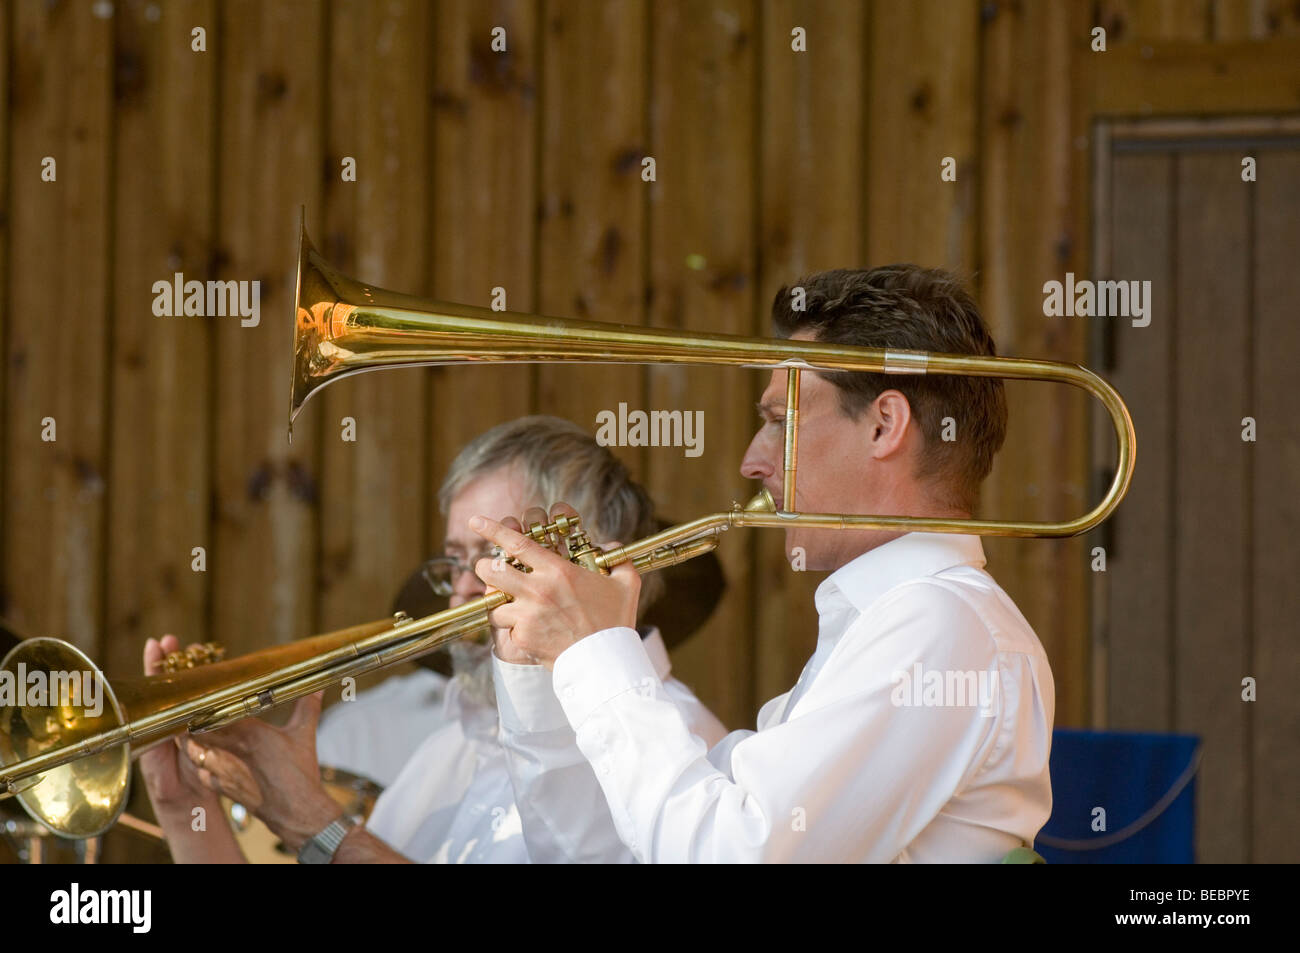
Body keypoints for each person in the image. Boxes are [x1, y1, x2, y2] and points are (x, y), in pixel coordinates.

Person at [472, 266, 1056, 863]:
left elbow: (732, 854)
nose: (753, 461)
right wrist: (537, 671)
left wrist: (594, 648)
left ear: (884, 425)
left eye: (780, 422)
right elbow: (593, 850)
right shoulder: (891, 621)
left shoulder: (940, 622)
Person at [140, 416, 726, 863]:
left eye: (497, 559)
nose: (462, 593)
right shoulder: (457, 745)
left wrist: (314, 821)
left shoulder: (673, 745)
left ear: (588, 561)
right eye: (454, 563)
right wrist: (186, 807)